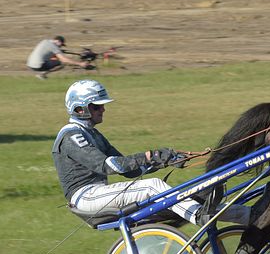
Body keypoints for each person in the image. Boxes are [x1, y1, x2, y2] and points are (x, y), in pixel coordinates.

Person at [52, 80, 252, 226]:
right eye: (96, 106)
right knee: (153, 186)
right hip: (86, 198)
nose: (103, 109)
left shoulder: (93, 134)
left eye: (102, 105)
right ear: (79, 109)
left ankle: (250, 215)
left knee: (187, 196)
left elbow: (129, 171)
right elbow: (109, 166)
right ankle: (198, 217)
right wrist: (150, 156)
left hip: (100, 194)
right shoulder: (71, 136)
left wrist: (163, 161)